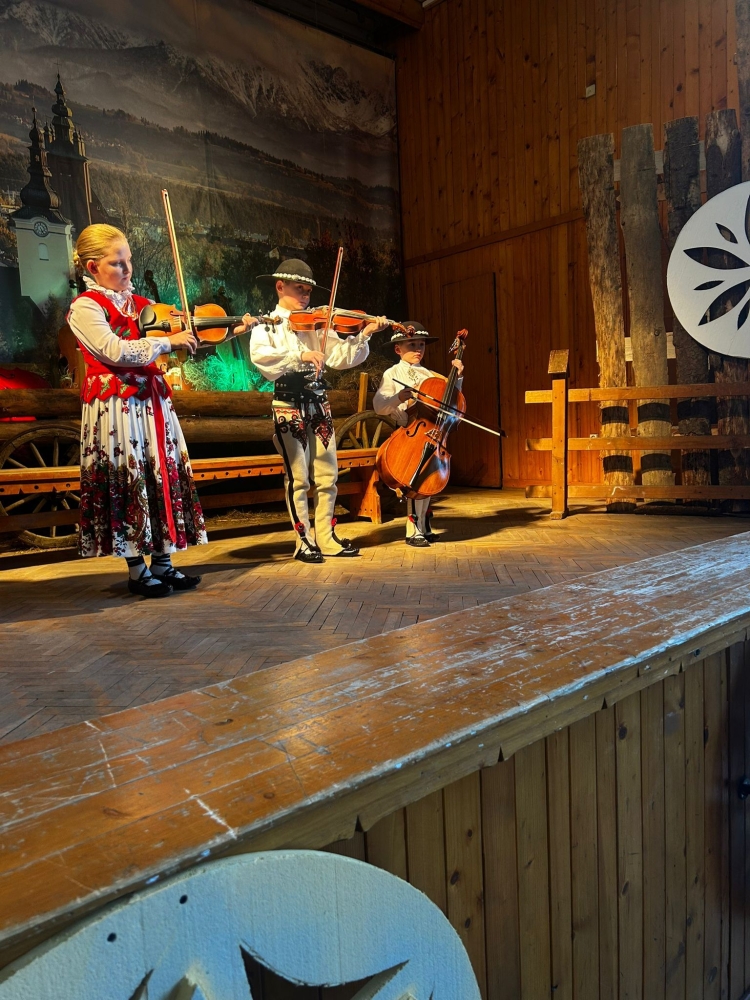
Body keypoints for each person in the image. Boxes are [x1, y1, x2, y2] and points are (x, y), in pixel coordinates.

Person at [68, 223, 255, 597]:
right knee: (128, 479)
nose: (127, 269)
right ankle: (137, 570)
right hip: (117, 406)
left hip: (151, 401)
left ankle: (163, 564)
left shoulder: (143, 306)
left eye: (128, 260)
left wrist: (233, 328)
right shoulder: (85, 307)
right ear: (92, 267)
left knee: (159, 478)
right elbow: (115, 351)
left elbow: (190, 336)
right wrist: (167, 343)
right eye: (117, 263)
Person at [250, 258, 388, 562]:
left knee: (328, 474)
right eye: (299, 289)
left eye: (308, 291)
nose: (305, 296)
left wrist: (364, 334)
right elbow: (262, 359)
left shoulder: (316, 322)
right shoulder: (266, 324)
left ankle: (326, 536)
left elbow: (339, 357)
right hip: (288, 404)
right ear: (280, 286)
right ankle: (303, 540)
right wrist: (301, 355)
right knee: (298, 477)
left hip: (318, 403)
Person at [373, 322, 463, 547]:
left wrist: (457, 377)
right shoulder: (392, 374)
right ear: (398, 349)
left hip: (432, 433)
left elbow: (450, 402)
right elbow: (379, 406)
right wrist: (399, 398)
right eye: (411, 345)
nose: (418, 349)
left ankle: (424, 525)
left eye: (421, 345)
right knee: (413, 481)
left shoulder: (430, 375)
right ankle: (412, 529)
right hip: (408, 432)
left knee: (427, 480)